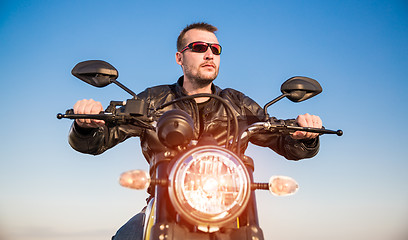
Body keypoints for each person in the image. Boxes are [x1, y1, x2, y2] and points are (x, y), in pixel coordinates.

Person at [68, 22, 322, 240]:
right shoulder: (154, 99)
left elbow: (281, 138)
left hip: (229, 205)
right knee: (127, 235)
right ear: (180, 57)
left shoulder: (238, 103)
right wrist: (85, 125)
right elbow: (97, 141)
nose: (209, 54)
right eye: (200, 48)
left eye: (216, 49)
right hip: (164, 203)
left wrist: (304, 134)